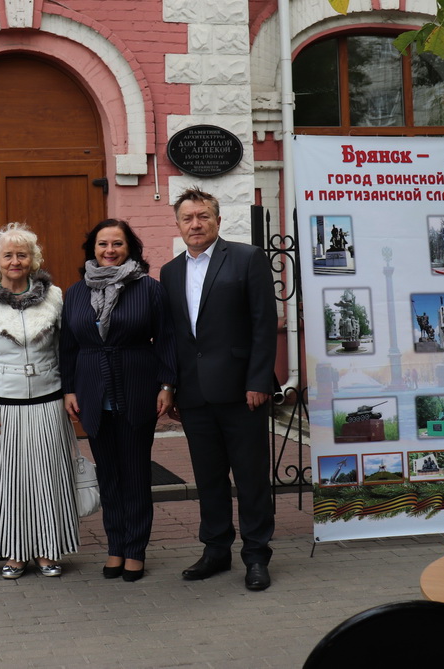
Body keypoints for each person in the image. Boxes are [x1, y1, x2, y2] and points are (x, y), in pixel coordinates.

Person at [159, 188, 278, 592]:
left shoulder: (246, 259)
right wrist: (170, 386)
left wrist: (259, 380)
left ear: (218, 221)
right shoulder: (171, 272)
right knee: (209, 479)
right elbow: (174, 336)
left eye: (203, 216)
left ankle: (257, 555)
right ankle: (216, 551)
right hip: (194, 396)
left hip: (243, 393)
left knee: (251, 479)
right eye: (188, 218)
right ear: (177, 225)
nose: (195, 224)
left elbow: (264, 324)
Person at [61, 219, 176, 582]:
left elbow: (168, 340)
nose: (109, 251)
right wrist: (69, 389)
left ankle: (136, 550)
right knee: (108, 476)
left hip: (137, 388)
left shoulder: (149, 289)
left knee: (135, 474)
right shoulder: (76, 292)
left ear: (130, 249)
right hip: (93, 394)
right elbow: (68, 346)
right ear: (92, 250)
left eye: (117, 244)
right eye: (102, 244)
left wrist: (167, 386)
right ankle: (116, 547)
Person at [0, 222, 78, 579]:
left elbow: (67, 351)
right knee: (9, 482)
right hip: (2, 408)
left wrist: (70, 393)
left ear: (33, 259)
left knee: (48, 478)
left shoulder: (55, 296)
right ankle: (14, 553)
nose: (15, 261)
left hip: (48, 402)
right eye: (8, 255)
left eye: (22, 255)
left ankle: (47, 551)